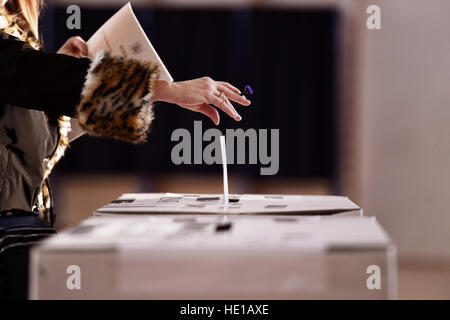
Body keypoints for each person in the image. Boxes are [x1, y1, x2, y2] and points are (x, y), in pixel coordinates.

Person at [0, 0, 251, 299]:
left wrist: (56, 88)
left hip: (22, 229)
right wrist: (166, 89)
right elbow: (28, 72)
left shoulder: (18, 31)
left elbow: (32, 137)